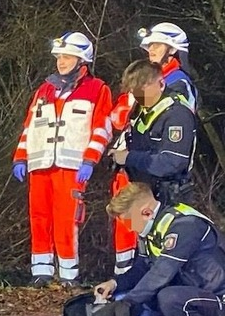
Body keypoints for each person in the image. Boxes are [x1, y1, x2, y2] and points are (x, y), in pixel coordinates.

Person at [11, 32, 112, 287]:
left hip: (71, 167)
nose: (61, 62)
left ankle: (68, 275)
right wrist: (20, 157)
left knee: (67, 220)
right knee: (39, 217)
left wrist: (90, 160)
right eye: (59, 57)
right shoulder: (44, 89)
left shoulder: (97, 89)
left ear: (81, 60)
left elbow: (102, 128)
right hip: (40, 165)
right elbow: (30, 127)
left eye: (67, 57)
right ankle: (41, 272)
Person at [94, 182, 225, 316]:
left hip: (218, 299)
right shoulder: (151, 228)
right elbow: (143, 268)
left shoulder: (185, 225)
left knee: (168, 297)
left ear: (146, 212)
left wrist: (127, 303)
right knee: (122, 297)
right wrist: (115, 283)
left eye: (128, 221)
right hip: (194, 294)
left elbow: (162, 272)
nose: (129, 228)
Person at [109, 24, 199, 273]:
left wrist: (131, 157)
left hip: (167, 185)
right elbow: (122, 121)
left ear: (173, 49)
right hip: (146, 179)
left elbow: (172, 154)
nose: (151, 49)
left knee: (168, 254)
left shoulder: (178, 84)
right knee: (146, 252)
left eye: (157, 45)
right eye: (149, 45)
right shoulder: (147, 86)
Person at [110, 59, 197, 210]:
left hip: (168, 199)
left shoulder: (177, 114)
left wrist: (129, 157)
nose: (138, 95)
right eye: (134, 91)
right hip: (143, 193)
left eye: (142, 89)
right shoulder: (143, 110)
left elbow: (172, 162)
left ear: (160, 84)